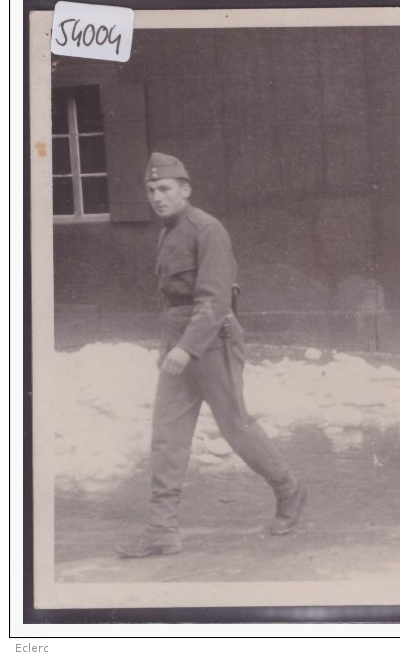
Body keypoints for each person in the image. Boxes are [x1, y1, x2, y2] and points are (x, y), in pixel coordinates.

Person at [116, 153, 305, 559]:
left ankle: (289, 488)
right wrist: (172, 345)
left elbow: (215, 300)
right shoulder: (168, 231)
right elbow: (173, 300)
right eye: (150, 190)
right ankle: (161, 529)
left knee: (235, 426)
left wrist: (186, 348)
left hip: (212, 342)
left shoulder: (208, 230)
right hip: (179, 342)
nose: (156, 197)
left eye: (164, 189)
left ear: (185, 189)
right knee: (166, 436)